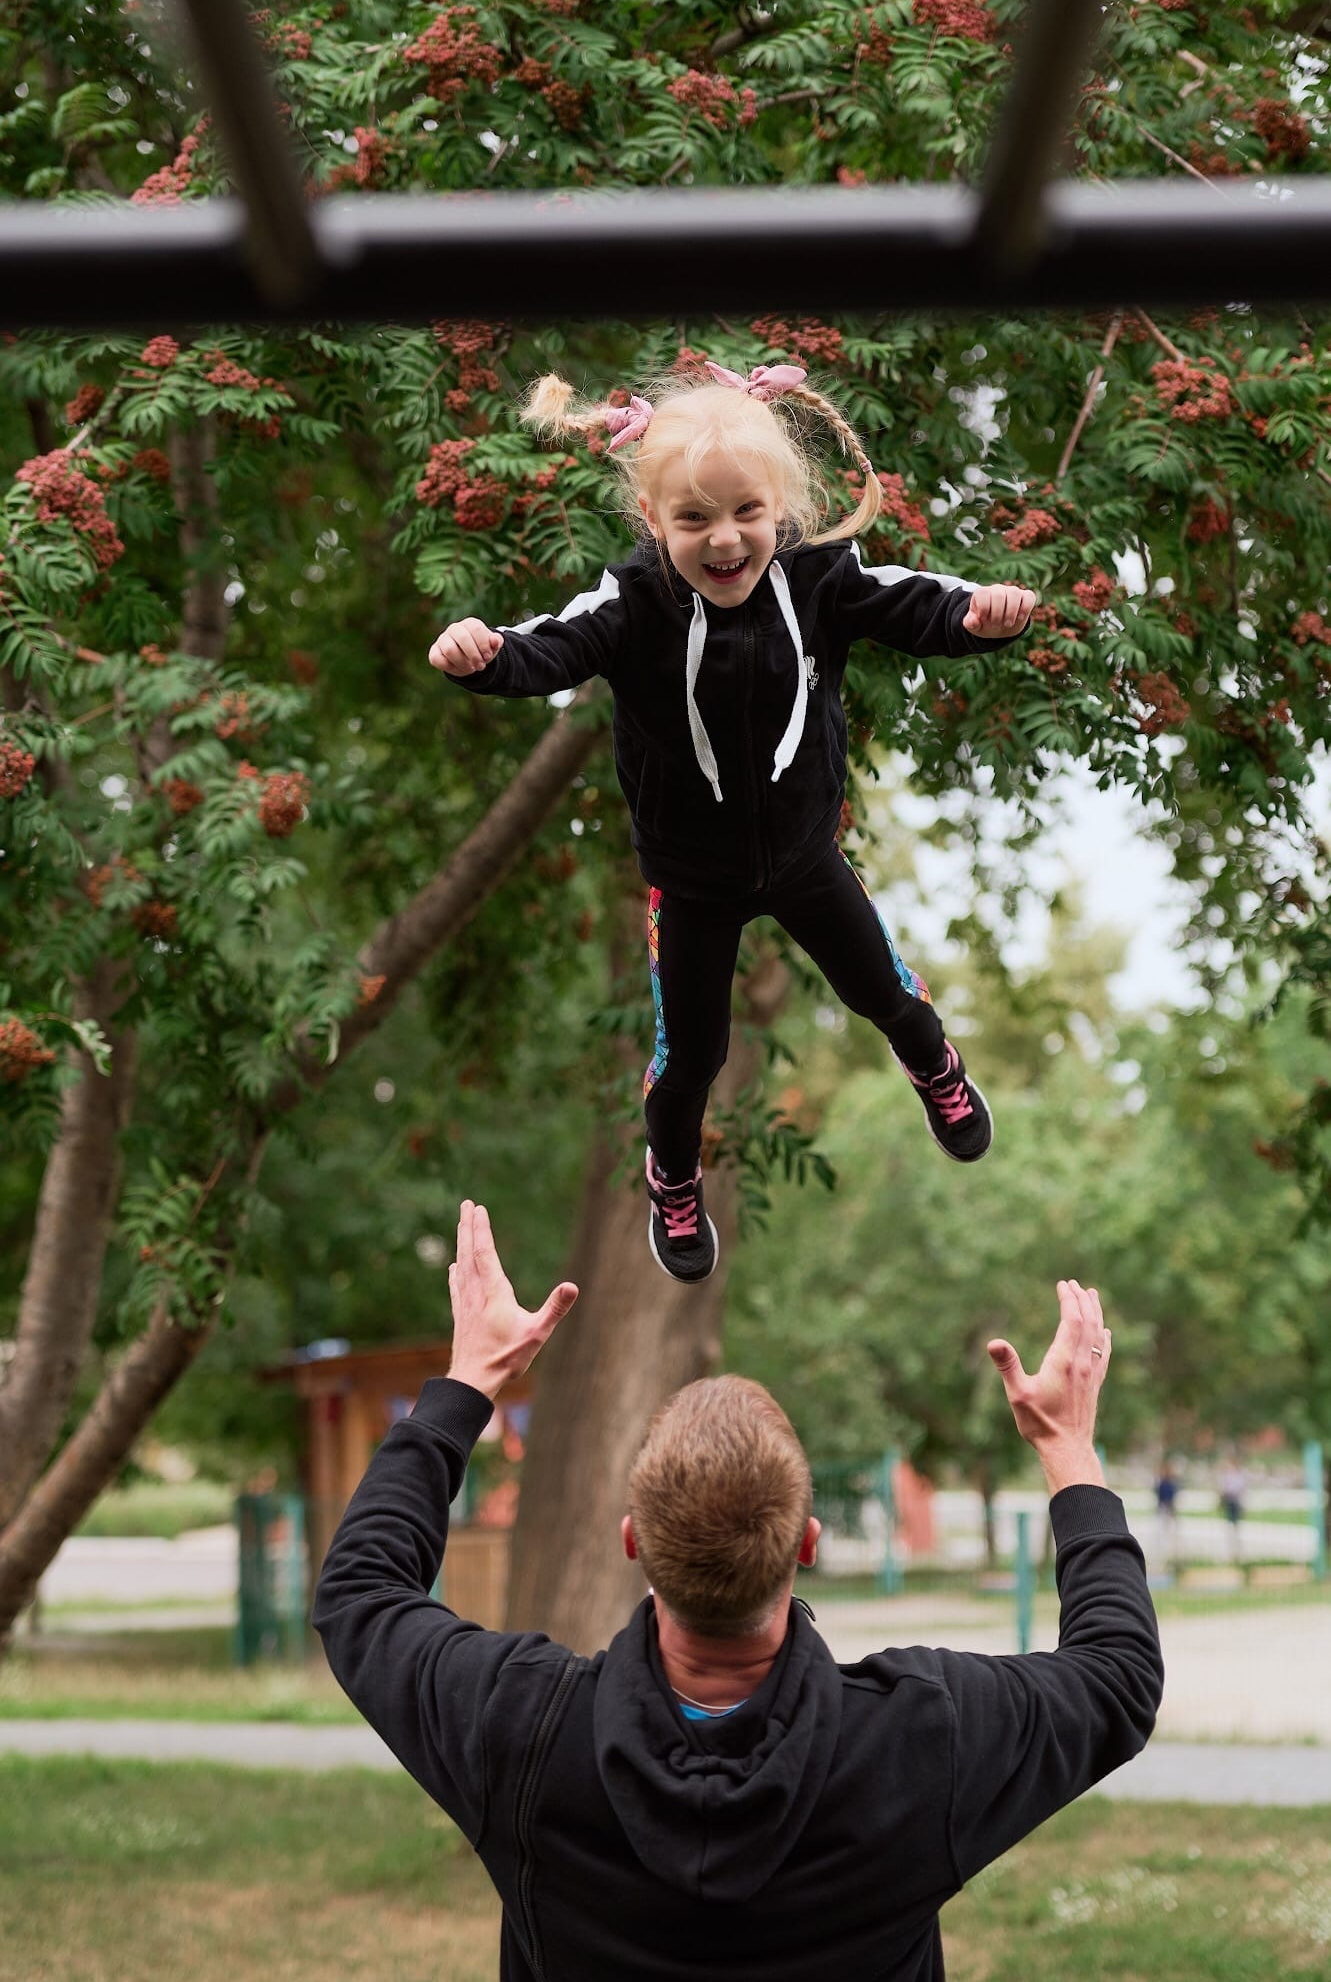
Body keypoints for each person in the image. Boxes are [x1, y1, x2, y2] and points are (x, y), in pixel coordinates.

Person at [313, 1201, 1162, 1982]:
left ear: (632, 1543)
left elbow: (358, 1593)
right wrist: (1066, 1450)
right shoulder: (920, 1739)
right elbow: (1117, 1679)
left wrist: (467, 1385)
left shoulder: (520, 1731)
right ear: (807, 1543)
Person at [428, 364, 1037, 1284]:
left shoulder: (820, 573)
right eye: (693, 521)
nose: (724, 541)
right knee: (691, 1059)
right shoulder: (632, 600)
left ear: (781, 505)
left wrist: (977, 616)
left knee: (886, 994)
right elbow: (549, 646)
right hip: (693, 883)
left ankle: (937, 1071)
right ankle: (672, 1178)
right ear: (651, 516)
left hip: (802, 856)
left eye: (746, 513)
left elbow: (916, 601)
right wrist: (483, 656)